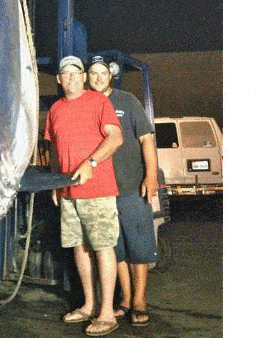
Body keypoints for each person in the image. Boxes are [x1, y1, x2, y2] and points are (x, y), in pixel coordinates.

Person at [44, 55, 124, 337]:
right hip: (67, 192)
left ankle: (106, 312)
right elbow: (54, 150)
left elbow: (115, 137)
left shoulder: (99, 101)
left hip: (98, 189)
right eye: (65, 74)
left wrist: (90, 164)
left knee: (102, 246)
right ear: (58, 79)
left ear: (84, 76)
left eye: (76, 72)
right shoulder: (54, 109)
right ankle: (89, 305)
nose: (71, 78)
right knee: (79, 247)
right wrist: (55, 183)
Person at [87, 55, 159, 327]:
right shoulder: (87, 103)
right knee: (115, 248)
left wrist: (151, 175)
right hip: (102, 190)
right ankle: (126, 299)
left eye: (102, 72)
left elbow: (145, 140)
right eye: (92, 73)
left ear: (111, 75)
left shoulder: (127, 100)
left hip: (131, 185)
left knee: (138, 245)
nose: (97, 77)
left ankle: (140, 300)